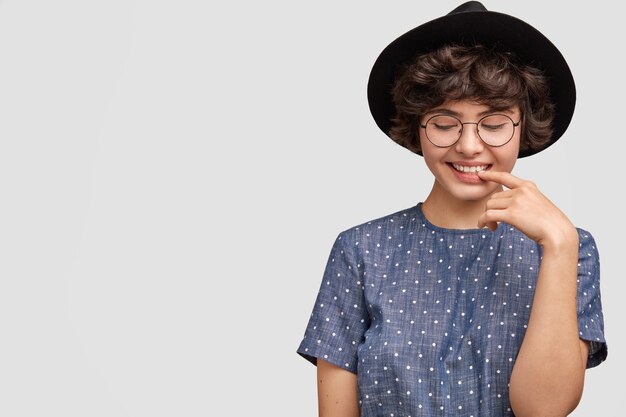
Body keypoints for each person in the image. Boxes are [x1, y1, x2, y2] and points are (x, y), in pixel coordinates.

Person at [296, 2, 608, 416]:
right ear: (418, 126)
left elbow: (544, 409)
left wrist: (559, 244)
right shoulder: (360, 250)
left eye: (494, 123)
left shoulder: (571, 248)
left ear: (523, 127)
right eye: (445, 123)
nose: (468, 145)